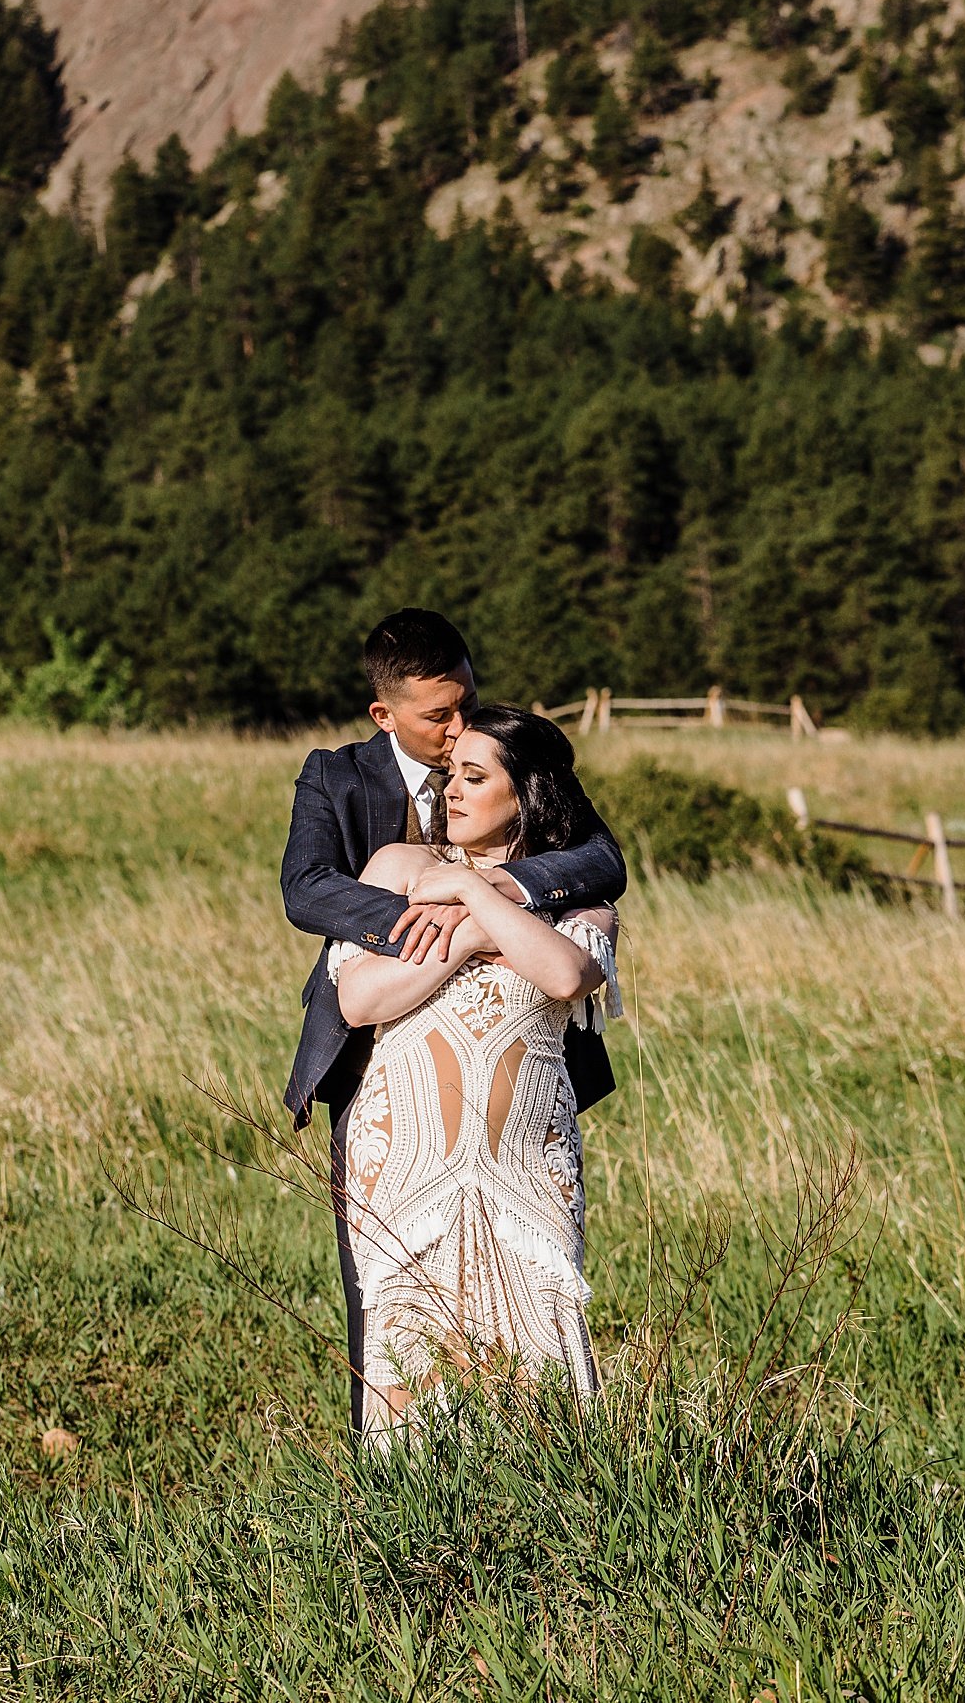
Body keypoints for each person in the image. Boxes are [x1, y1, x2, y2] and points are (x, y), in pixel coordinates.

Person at [281, 609, 626, 1428]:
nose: (457, 727)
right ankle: (397, 1493)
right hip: (378, 1069)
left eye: (466, 702)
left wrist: (485, 897)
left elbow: (599, 860)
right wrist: (419, 909)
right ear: (386, 714)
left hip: (517, 1094)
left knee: (531, 1319)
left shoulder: (505, 755)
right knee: (389, 1302)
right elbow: (307, 890)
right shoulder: (339, 777)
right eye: (439, 717)